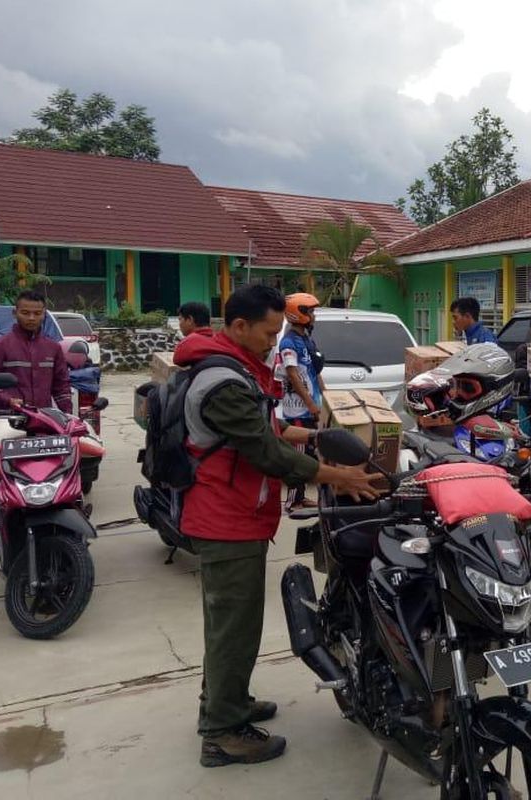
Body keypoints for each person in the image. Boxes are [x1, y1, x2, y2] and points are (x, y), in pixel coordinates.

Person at [173, 284, 381, 767]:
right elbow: (265, 453)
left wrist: (323, 434)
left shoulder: (236, 366)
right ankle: (222, 732)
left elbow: (274, 429)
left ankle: (230, 700)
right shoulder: (223, 381)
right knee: (233, 627)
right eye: (269, 332)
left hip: (240, 514)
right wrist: (336, 474)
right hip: (225, 520)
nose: (274, 341)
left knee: (234, 625)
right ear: (239, 327)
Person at [0, 290, 71, 413]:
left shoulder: (53, 348)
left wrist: (68, 417)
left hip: (43, 420)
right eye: (25, 313)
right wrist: (8, 400)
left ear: (44, 315)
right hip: (8, 419)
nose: (31, 318)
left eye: (37, 313)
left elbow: (61, 387)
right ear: (15, 313)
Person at [278, 292, 326, 511]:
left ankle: (301, 497)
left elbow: (314, 372)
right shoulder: (289, 343)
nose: (314, 315)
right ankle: (292, 501)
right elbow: (294, 376)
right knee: (298, 456)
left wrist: (326, 398)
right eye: (310, 311)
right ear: (298, 314)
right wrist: (310, 404)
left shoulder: (306, 339)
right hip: (298, 410)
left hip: (311, 406)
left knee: (309, 453)